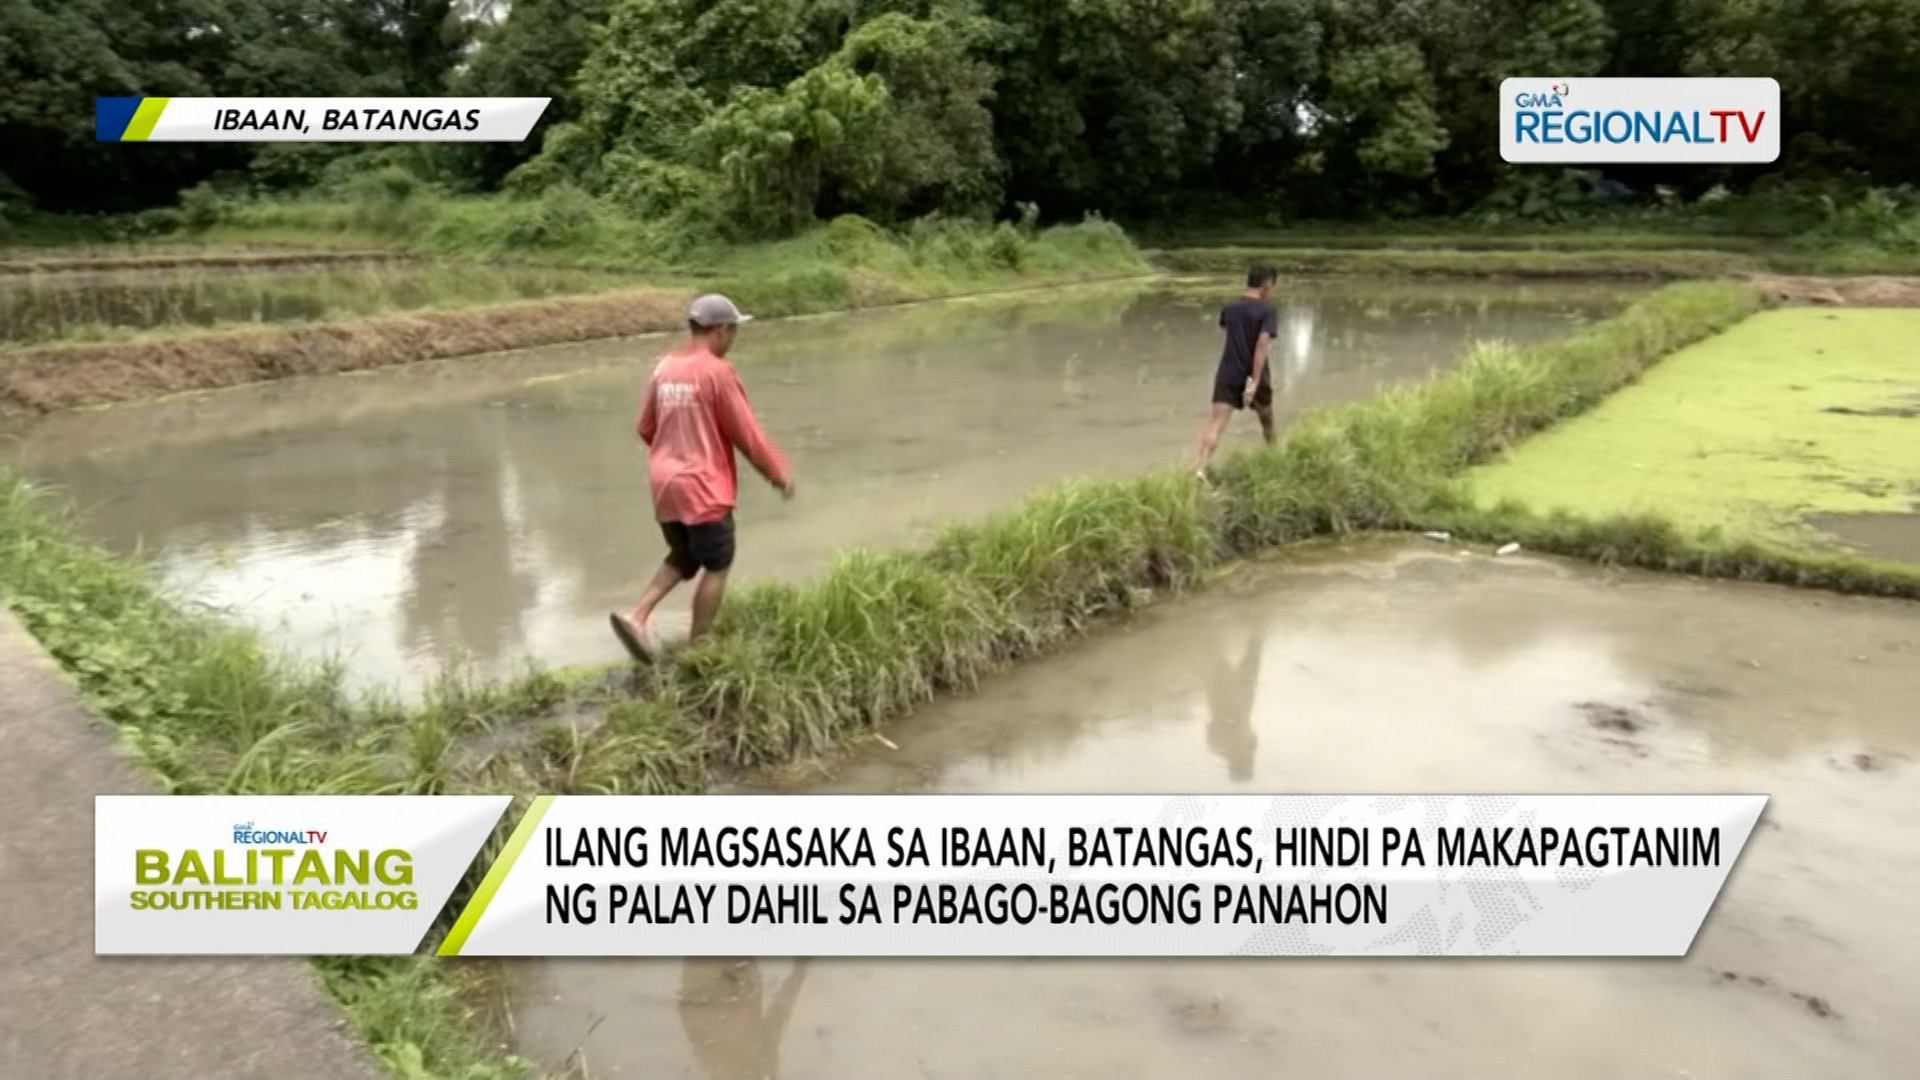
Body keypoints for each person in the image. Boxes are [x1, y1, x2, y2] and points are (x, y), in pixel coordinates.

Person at [610, 293, 793, 663]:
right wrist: (778, 475)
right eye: (734, 330)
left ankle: (636, 616)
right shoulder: (716, 372)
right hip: (703, 486)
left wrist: (672, 452)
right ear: (721, 330)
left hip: (665, 485)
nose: (734, 338)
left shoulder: (664, 367)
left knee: (685, 553)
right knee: (718, 562)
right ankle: (699, 649)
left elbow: (646, 427)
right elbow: (747, 435)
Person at [1192, 264, 1279, 479]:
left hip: (1228, 370)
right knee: (1266, 417)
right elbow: (1261, 346)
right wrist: (1254, 382)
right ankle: (1276, 456)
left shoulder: (1230, 307)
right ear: (1266, 283)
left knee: (1216, 422)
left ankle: (1199, 468)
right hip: (1255, 372)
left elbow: (1228, 330)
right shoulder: (1267, 310)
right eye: (1272, 285)